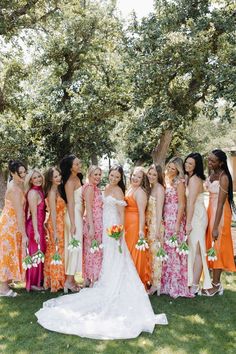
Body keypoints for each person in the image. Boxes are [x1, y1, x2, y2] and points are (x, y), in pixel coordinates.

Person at [35, 165, 167, 339]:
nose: (113, 178)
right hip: (105, 226)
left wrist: (119, 232)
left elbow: (121, 213)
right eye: (111, 175)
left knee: (116, 257)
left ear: (120, 179)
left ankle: (115, 284)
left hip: (114, 229)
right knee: (107, 258)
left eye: (117, 177)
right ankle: (106, 280)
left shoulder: (119, 192)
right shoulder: (106, 188)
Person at [203, 149, 236, 296]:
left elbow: (222, 204)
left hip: (220, 214)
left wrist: (215, 226)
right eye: (209, 160)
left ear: (221, 163)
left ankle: (216, 285)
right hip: (211, 210)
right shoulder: (212, 174)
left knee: (218, 247)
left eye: (213, 161)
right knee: (211, 245)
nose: (210, 163)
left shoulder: (223, 177)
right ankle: (212, 282)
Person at [160, 157, 193, 298]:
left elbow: (182, 205)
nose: (170, 170)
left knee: (174, 251)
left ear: (178, 170)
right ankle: (165, 283)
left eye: (174, 168)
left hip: (175, 218)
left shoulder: (180, 182)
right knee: (166, 249)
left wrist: (178, 224)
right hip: (166, 217)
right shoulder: (166, 180)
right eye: (169, 167)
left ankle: (176, 284)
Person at [184, 153, 212, 295]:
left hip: (197, 217)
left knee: (198, 249)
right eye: (186, 163)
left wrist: (188, 223)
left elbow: (192, 202)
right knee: (192, 250)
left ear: (196, 166)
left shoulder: (195, 180)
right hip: (192, 214)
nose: (187, 166)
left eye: (191, 164)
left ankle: (195, 285)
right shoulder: (188, 177)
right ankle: (191, 281)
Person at [0, 160, 27, 297]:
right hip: (10, 224)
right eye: (19, 173)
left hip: (13, 223)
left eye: (24, 172)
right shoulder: (14, 189)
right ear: (12, 173)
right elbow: (19, 213)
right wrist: (24, 234)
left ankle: (8, 281)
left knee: (11, 252)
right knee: (7, 253)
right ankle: (3, 289)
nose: (23, 175)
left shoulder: (18, 184)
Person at [125, 167, 151, 289]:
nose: (135, 178)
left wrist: (141, 230)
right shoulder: (130, 188)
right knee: (128, 252)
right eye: (134, 175)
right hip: (127, 225)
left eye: (139, 177)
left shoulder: (140, 192)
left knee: (135, 252)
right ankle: (128, 280)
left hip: (136, 225)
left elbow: (142, 213)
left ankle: (137, 282)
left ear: (143, 180)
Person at [60, 155, 83, 293]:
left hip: (78, 214)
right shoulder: (69, 182)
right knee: (74, 248)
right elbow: (70, 203)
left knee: (75, 247)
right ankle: (68, 281)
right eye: (76, 164)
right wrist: (74, 223)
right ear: (70, 167)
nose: (79, 165)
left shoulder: (78, 177)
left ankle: (72, 279)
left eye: (78, 163)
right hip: (73, 216)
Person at [43, 167, 66, 292]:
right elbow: (52, 213)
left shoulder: (57, 190)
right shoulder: (52, 193)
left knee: (59, 251)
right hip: (55, 224)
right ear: (50, 179)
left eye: (59, 175)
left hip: (61, 223)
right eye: (55, 176)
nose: (58, 178)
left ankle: (59, 280)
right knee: (55, 251)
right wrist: (55, 232)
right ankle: (54, 281)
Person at [25, 169, 46, 292]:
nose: (38, 179)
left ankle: (38, 280)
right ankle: (32, 283)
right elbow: (33, 214)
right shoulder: (33, 193)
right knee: (35, 254)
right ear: (31, 180)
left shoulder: (40, 191)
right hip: (33, 229)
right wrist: (37, 232)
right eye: (35, 178)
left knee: (39, 253)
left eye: (39, 177)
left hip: (39, 226)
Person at [82, 166, 103, 287]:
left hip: (97, 222)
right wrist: (91, 227)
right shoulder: (89, 188)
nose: (98, 177)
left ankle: (90, 278)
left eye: (99, 174)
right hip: (93, 223)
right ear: (89, 175)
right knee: (93, 251)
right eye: (95, 174)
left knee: (93, 251)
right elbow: (89, 209)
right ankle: (92, 278)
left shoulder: (95, 188)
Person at [146, 164, 165, 296]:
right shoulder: (151, 188)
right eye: (150, 173)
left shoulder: (159, 189)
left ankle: (156, 285)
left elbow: (159, 211)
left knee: (157, 255)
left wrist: (157, 230)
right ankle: (152, 280)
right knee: (151, 255)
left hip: (156, 225)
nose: (151, 176)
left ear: (158, 176)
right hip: (149, 224)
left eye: (154, 174)